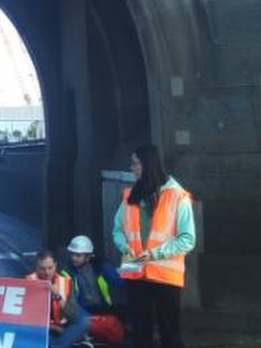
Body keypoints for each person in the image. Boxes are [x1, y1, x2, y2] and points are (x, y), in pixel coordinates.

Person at [113, 144, 195, 348]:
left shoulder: (178, 196)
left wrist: (154, 254)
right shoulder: (130, 196)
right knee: (140, 333)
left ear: (147, 164)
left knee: (170, 333)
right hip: (134, 271)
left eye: (135, 163)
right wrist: (125, 247)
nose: (131, 168)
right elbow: (117, 230)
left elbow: (187, 239)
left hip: (164, 275)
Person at [62, 235, 125, 345]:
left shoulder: (100, 268)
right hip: (81, 312)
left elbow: (120, 282)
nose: (73, 258)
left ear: (88, 257)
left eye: (78, 255)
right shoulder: (67, 273)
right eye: (72, 254)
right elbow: (70, 303)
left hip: (102, 309)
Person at [25, 251, 89, 348]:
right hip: (40, 328)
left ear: (55, 265)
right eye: (42, 269)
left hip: (62, 325)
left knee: (83, 321)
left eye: (50, 268)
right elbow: (26, 317)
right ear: (36, 268)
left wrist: (58, 296)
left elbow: (73, 315)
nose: (46, 272)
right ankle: (59, 344)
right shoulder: (28, 282)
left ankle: (56, 345)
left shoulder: (66, 281)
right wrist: (54, 327)